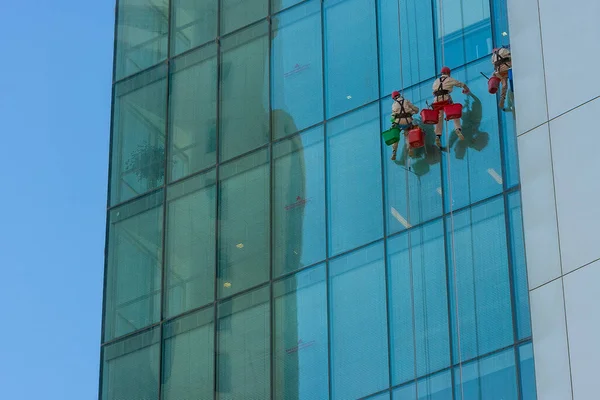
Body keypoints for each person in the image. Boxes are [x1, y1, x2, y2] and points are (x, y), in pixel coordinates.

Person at [431, 66, 470, 147]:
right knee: (454, 112)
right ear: (448, 73)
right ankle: (458, 129)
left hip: (436, 101)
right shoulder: (449, 79)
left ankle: (438, 135)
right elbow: (461, 84)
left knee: (439, 117)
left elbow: (434, 92)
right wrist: (466, 89)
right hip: (445, 98)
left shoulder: (435, 81)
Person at [390, 90, 420, 160]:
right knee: (408, 135)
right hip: (407, 121)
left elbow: (392, 117)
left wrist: (393, 122)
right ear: (399, 95)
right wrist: (415, 111)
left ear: (394, 98)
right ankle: (410, 148)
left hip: (398, 122)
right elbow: (415, 109)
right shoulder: (406, 101)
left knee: (395, 137)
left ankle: (394, 151)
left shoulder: (394, 104)